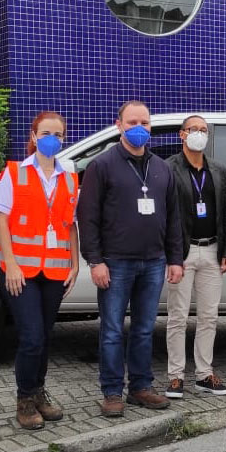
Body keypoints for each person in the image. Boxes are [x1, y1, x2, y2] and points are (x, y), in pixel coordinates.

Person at [78, 100, 185, 417]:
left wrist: (175, 258)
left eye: (145, 123)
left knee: (143, 329)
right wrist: (95, 260)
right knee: (111, 331)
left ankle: (141, 387)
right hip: (115, 263)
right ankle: (112, 392)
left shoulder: (162, 168)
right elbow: (88, 217)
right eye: (132, 122)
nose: (140, 128)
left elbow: (174, 218)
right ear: (119, 125)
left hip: (153, 262)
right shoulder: (102, 165)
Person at [0, 112, 79, 429]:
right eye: (46, 132)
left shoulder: (68, 177)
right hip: (20, 271)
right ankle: (25, 399)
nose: (52, 138)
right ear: (34, 134)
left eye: (58, 133)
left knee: (44, 336)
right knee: (31, 336)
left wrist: (75, 261)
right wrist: (10, 264)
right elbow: (1, 219)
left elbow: (70, 225)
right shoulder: (15, 172)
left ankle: (39, 393)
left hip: (54, 272)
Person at [164, 115, 226, 398]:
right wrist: (171, 255)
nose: (199, 134)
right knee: (177, 317)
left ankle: (204, 374)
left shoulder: (219, 170)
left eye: (204, 130)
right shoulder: (168, 168)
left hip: (211, 251)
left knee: (209, 316)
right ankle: (175, 376)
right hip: (182, 252)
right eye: (194, 129)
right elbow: (166, 215)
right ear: (182, 134)